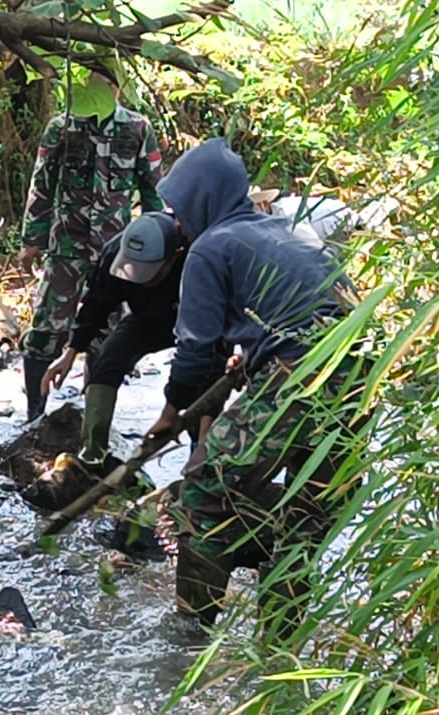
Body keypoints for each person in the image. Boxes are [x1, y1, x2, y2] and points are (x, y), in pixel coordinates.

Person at [143, 138, 362, 631]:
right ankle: (280, 646)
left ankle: (191, 627)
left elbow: (196, 353)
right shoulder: (290, 227)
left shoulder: (209, 247)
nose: (175, 220)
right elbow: (311, 308)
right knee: (307, 513)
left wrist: (170, 411)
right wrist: (251, 356)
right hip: (360, 374)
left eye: (178, 207)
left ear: (201, 201)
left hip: (299, 375)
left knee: (202, 485)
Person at [16, 73, 164, 422]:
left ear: (116, 88)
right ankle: (34, 417)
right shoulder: (62, 127)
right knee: (45, 331)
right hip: (67, 247)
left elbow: (154, 189)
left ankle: (93, 421)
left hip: (117, 252)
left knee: (109, 336)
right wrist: (31, 241)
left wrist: (163, 246)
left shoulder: (137, 128)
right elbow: (42, 184)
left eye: (105, 85)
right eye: (91, 84)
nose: (99, 92)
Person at [39, 210, 217, 469]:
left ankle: (201, 459)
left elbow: (207, 351)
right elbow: (97, 305)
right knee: (108, 360)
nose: (140, 277)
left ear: (174, 256)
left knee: (202, 382)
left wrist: (175, 413)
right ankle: (92, 454)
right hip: (147, 319)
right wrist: (70, 351)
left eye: (149, 273)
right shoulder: (116, 254)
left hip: (196, 325)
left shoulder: (199, 257)